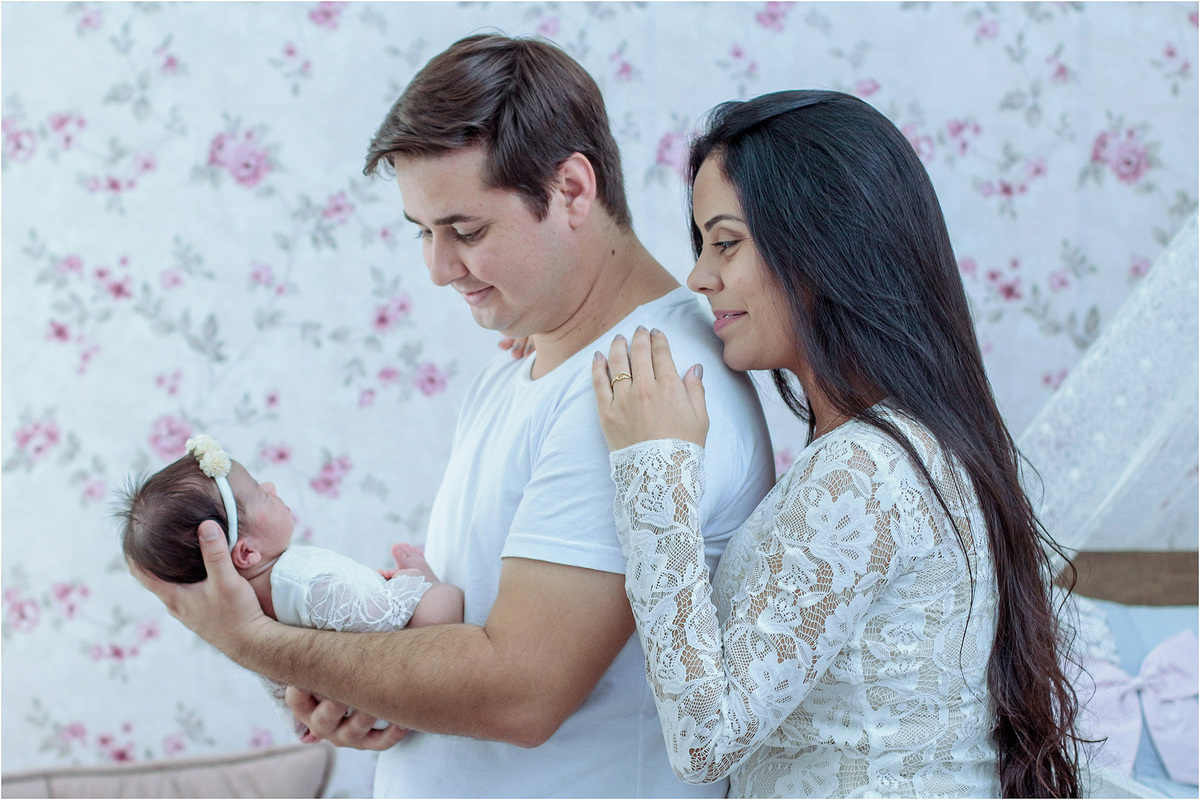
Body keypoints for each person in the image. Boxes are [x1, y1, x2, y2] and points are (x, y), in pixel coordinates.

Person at [129, 33, 775, 798]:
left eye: (465, 231)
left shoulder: (646, 385)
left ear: (572, 189)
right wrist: (362, 683)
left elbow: (519, 692)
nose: (438, 268)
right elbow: (466, 641)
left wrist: (256, 641)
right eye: (423, 231)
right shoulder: (525, 362)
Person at [591, 90, 1081, 798]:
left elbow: (704, 740)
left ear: (823, 245)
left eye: (725, 242)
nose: (700, 277)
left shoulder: (867, 469)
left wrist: (655, 468)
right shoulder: (903, 447)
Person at [119, 434, 464, 737]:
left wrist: (298, 723)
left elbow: (274, 681)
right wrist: (408, 582)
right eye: (260, 494)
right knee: (444, 601)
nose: (271, 487)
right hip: (406, 676)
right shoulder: (302, 580)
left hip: (356, 708)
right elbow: (384, 622)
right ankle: (430, 584)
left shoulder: (248, 613)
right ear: (247, 552)